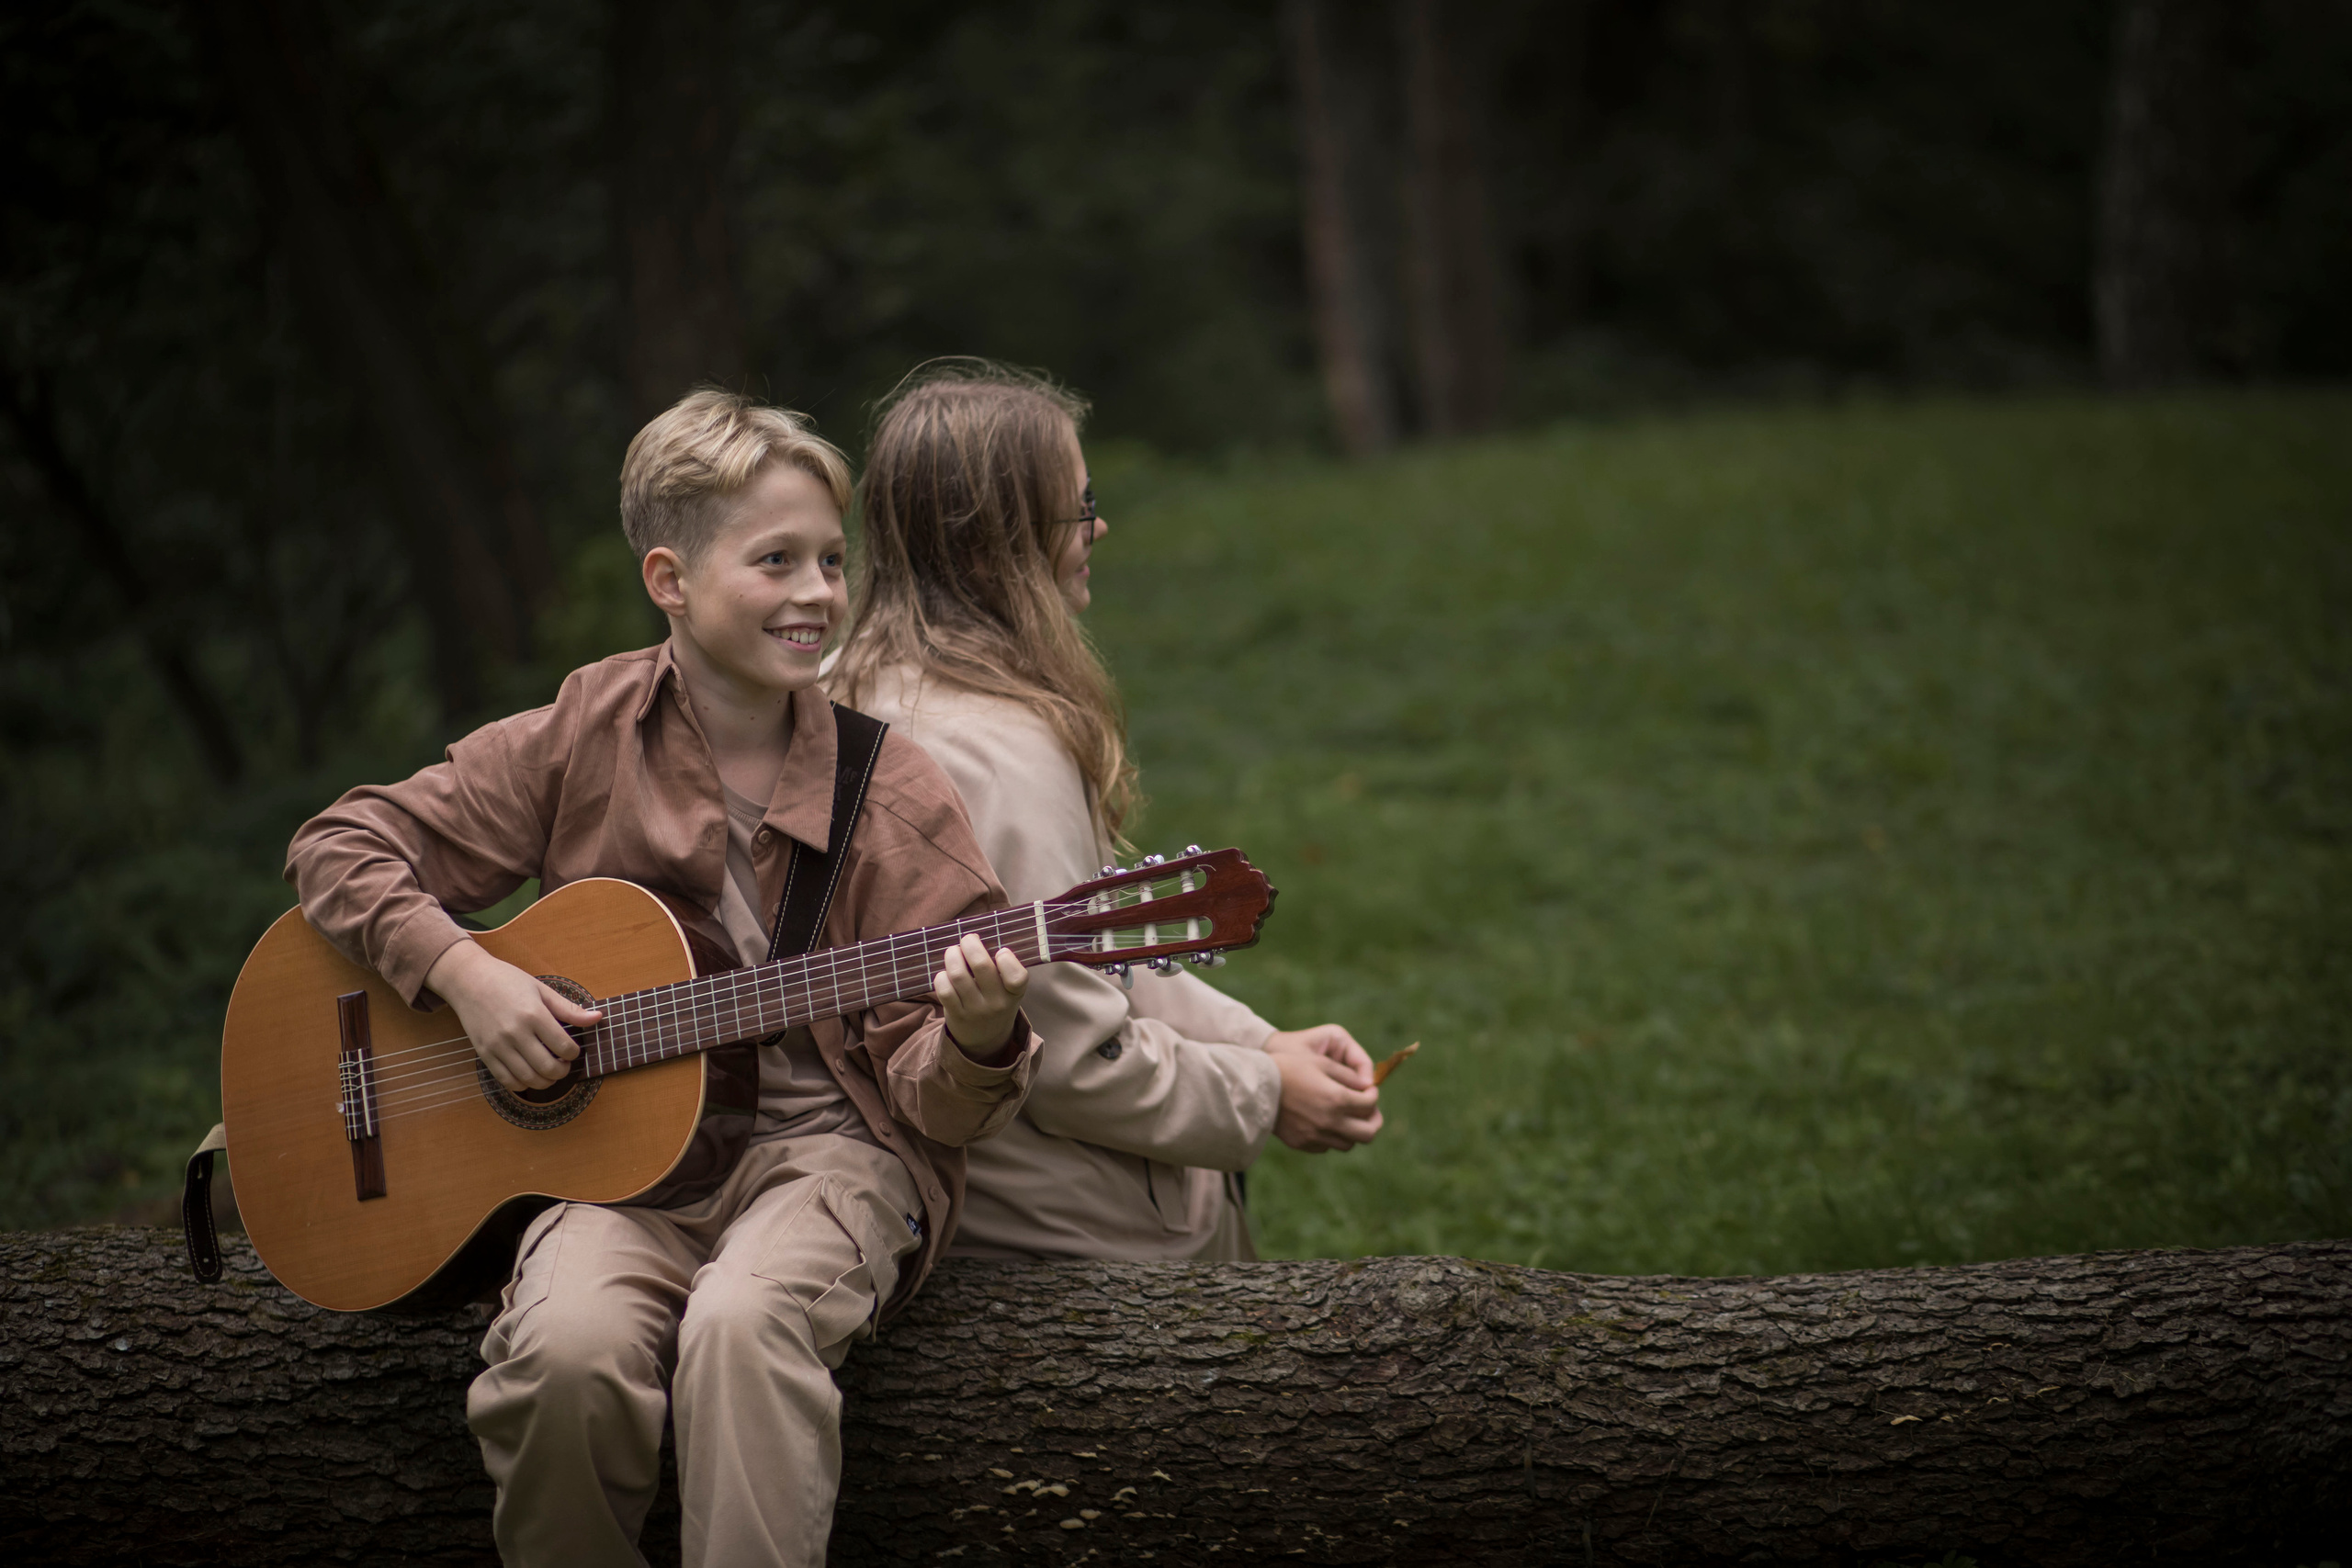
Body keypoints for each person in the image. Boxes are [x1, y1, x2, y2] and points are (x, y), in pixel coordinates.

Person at [285, 389, 1040, 1567]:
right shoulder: (588, 732)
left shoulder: (891, 792)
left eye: (833, 561)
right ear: (669, 580)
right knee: (562, 1361)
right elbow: (340, 848)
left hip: (827, 1155)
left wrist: (981, 1038)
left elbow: (933, 1099)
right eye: (775, 560)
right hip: (616, 1175)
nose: (815, 593)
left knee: (742, 1328)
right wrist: (469, 979)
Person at [827, 361, 1382, 1264]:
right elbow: (1074, 1062)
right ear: (997, 539)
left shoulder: (828, 691)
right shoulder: (1001, 752)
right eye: (1078, 509)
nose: (1098, 528)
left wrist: (1261, 1041)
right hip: (1044, 1220)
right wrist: (1266, 1095)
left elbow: (1070, 951)